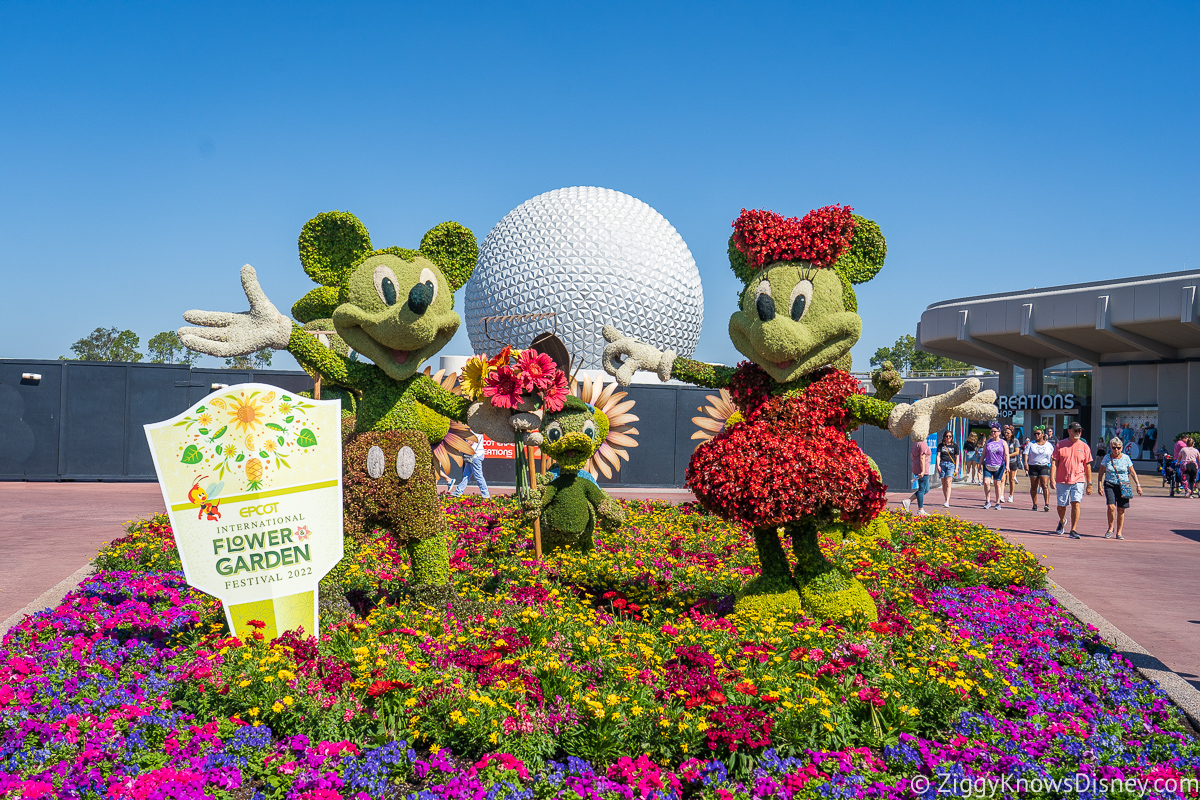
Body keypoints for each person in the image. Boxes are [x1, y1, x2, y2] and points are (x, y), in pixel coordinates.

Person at [1052, 421, 1093, 539]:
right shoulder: (1060, 445)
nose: (1078, 433)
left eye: (1079, 431)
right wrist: (1052, 478)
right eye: (1076, 430)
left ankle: (1073, 529)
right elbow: (1054, 462)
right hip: (1062, 479)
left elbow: (1088, 466)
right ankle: (1062, 520)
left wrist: (1089, 483)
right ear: (1069, 431)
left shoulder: (1084, 446)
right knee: (1061, 505)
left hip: (1079, 479)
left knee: (1076, 503)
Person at [1098, 437, 1142, 539]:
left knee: (1121, 509)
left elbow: (1132, 472)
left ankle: (1119, 532)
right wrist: (1099, 485)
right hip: (1110, 483)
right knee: (1111, 507)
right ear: (1110, 447)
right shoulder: (1107, 458)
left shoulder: (1126, 458)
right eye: (1114, 448)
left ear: (1122, 448)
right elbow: (1101, 472)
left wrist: (1138, 485)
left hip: (1124, 485)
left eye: (1118, 447)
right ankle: (1110, 527)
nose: (1116, 450)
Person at [1024, 425, 1055, 512]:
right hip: (1033, 465)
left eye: (1038, 434)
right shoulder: (1031, 444)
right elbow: (1026, 454)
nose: (1036, 435)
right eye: (1035, 434)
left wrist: (1053, 463)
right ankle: (1035, 504)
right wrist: (1025, 463)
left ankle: (1047, 504)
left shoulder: (1049, 445)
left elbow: (1053, 455)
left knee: (1045, 484)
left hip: (1044, 465)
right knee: (1034, 486)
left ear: (1042, 435)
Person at [450, 434, 490, 498]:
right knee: (466, 474)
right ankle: (459, 491)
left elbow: (470, 442)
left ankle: (485, 493)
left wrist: (459, 448)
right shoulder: (476, 430)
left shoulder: (475, 431)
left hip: (475, 456)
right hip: (473, 455)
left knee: (478, 476)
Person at [901, 436, 931, 515]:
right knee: (921, 489)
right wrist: (923, 470)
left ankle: (908, 501)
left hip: (917, 468)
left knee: (926, 489)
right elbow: (922, 458)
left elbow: (912, 456)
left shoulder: (915, 443)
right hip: (922, 470)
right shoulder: (923, 444)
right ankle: (920, 510)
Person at [981, 423, 1008, 509]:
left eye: (995, 432)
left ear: (999, 432)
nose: (993, 433)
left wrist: (1007, 465)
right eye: (992, 431)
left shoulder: (1003, 442)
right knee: (986, 482)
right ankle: (987, 501)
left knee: (997, 484)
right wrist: (979, 465)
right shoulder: (988, 442)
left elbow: (1006, 454)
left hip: (999, 466)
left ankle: (997, 502)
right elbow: (983, 454)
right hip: (988, 465)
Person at [936, 430, 958, 507]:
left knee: (948, 482)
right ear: (944, 437)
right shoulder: (941, 446)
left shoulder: (955, 446)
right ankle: (945, 498)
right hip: (942, 464)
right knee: (944, 483)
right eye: (947, 436)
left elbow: (957, 457)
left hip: (951, 465)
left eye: (950, 436)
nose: (948, 438)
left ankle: (947, 501)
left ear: (952, 437)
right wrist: (938, 465)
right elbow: (938, 456)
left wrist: (956, 468)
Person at [1002, 425, 1021, 503]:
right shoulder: (1003, 441)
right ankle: (1001, 495)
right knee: (1002, 479)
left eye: (1008, 433)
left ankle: (1011, 495)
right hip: (1003, 461)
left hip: (1012, 461)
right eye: (1005, 432)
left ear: (1012, 434)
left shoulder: (1015, 441)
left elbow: (1017, 452)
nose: (1006, 434)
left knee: (1011, 479)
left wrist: (1008, 455)